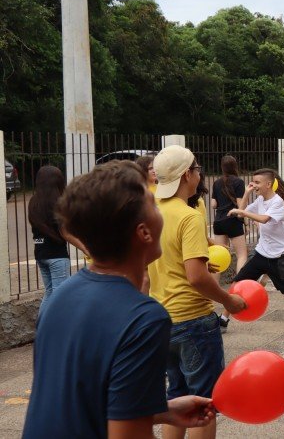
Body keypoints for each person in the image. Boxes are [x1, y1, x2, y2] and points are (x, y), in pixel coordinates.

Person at [23, 161, 215, 438]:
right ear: (144, 233)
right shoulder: (144, 317)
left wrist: (159, 411)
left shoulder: (60, 297)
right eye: (153, 203)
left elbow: (78, 401)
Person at [147, 145, 246, 439]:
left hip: (162, 319)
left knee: (175, 399)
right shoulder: (188, 216)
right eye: (197, 169)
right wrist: (230, 300)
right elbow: (195, 278)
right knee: (205, 404)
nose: (199, 174)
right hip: (193, 321)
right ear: (187, 175)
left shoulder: (151, 210)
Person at [225, 168, 284, 327]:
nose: (254, 185)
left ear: (268, 184)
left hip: (278, 258)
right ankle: (223, 319)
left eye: (257, 182)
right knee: (237, 284)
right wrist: (247, 194)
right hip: (261, 254)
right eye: (253, 182)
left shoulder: (277, 202)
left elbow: (264, 219)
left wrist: (242, 212)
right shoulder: (260, 200)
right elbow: (241, 214)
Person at [27, 165, 70, 313]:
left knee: (50, 292)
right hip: (57, 255)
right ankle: (54, 331)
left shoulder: (33, 202)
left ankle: (42, 328)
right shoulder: (58, 203)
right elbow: (66, 233)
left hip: (40, 254)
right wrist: (86, 248)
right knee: (60, 296)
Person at [211, 155, 247, 273]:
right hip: (233, 220)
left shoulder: (216, 183)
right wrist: (246, 223)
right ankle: (239, 284)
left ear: (222, 167)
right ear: (235, 166)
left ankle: (214, 288)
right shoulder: (239, 182)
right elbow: (240, 206)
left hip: (218, 222)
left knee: (218, 257)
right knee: (241, 255)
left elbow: (213, 204)